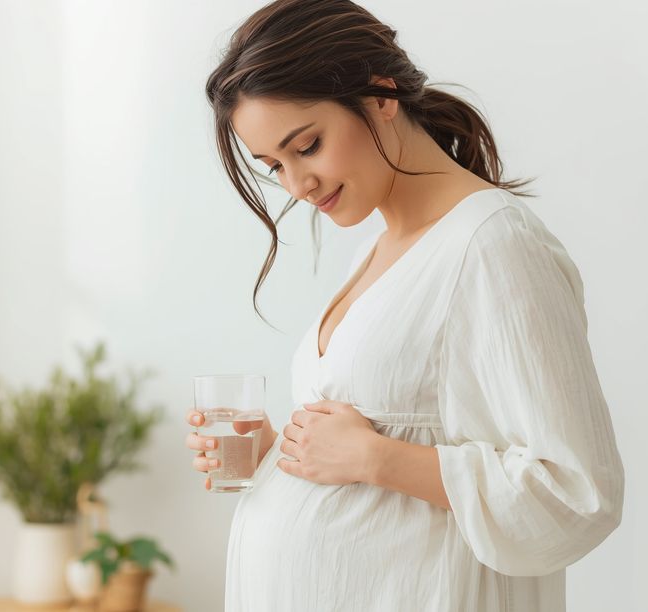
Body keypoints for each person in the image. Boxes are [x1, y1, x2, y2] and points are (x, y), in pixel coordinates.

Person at [186, 1, 625, 610]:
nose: (296, 186)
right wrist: (277, 457)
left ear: (381, 94)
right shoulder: (379, 247)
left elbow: (576, 492)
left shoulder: (493, 244)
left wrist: (377, 457)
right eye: (275, 166)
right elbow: (386, 438)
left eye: (307, 146)